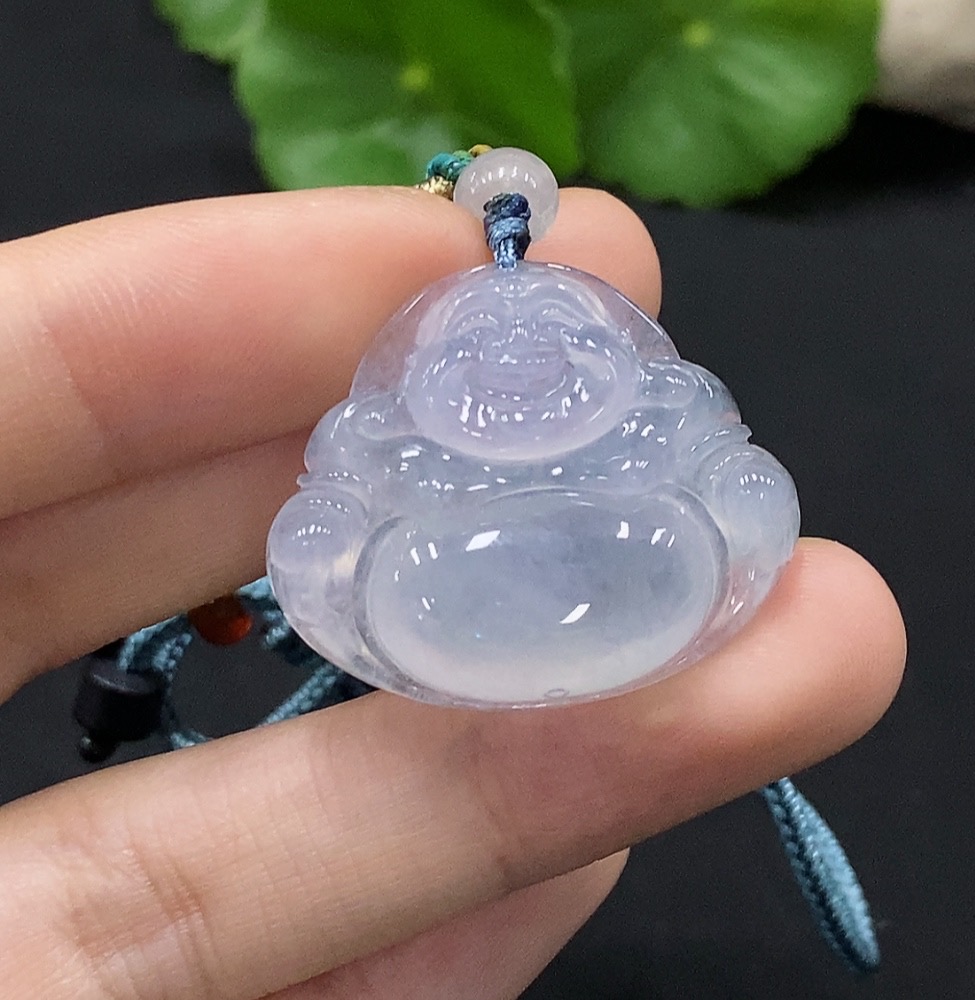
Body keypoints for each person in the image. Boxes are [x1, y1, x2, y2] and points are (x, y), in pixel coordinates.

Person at [0, 186, 906, 999]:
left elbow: (728, 470)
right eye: (480, 345)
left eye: (552, 337)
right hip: (441, 585)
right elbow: (330, 517)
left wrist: (734, 495)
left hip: (639, 557)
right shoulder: (390, 436)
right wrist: (327, 544)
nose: (517, 354)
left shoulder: (656, 414)